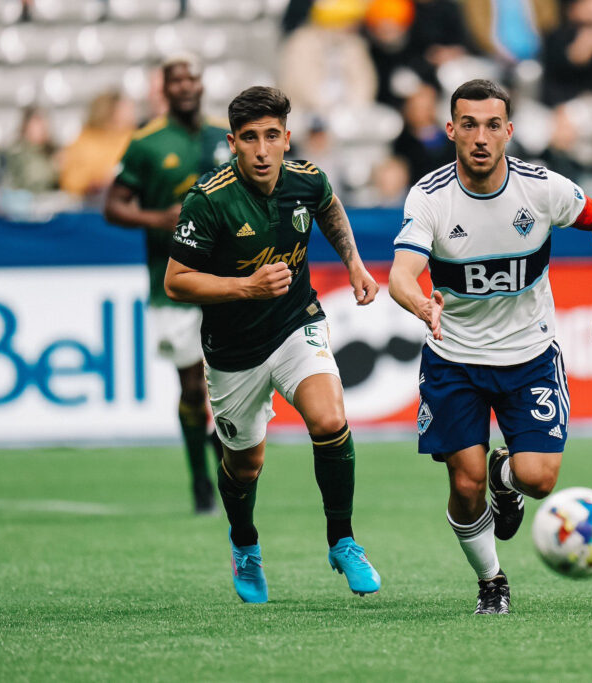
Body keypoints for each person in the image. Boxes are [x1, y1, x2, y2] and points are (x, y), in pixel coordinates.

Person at [388, 79, 592, 614]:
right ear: (450, 129)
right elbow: (402, 276)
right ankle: (491, 579)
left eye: (492, 125)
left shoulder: (542, 188)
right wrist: (424, 306)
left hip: (530, 355)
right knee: (464, 481)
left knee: (540, 479)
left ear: (509, 131)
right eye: (468, 124)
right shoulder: (430, 196)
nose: (480, 137)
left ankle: (507, 475)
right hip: (456, 359)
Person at [163, 85, 382, 603]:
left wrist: (352, 263)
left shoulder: (307, 180)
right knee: (246, 465)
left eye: (271, 136)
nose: (262, 150)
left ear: (287, 137)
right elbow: (176, 280)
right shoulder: (209, 199)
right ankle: (245, 545)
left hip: (294, 324)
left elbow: (329, 209)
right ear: (233, 142)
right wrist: (245, 286)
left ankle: (343, 540)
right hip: (234, 350)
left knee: (330, 420)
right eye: (249, 139)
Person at [104, 54, 231, 514]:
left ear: (201, 83)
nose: (184, 86)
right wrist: (157, 218)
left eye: (191, 77)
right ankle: (200, 479)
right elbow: (112, 205)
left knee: (229, 383)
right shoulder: (146, 143)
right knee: (193, 388)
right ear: (163, 88)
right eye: (175, 79)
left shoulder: (226, 136)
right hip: (172, 282)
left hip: (227, 277)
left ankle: (230, 472)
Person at [60, 90, 136, 198]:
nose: (130, 112)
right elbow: (70, 181)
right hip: (91, 205)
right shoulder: (85, 140)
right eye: (124, 108)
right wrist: (94, 183)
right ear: (110, 110)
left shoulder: (133, 137)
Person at [1, 106, 59, 193]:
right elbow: (32, 179)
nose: (42, 129)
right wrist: (53, 169)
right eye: (37, 124)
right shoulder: (17, 153)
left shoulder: (51, 151)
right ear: (26, 126)